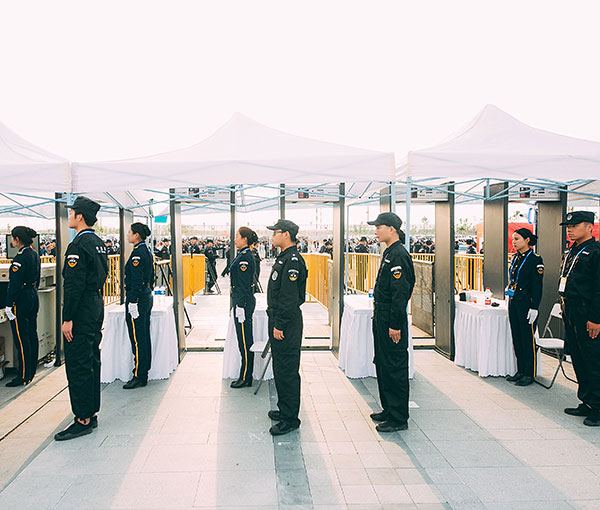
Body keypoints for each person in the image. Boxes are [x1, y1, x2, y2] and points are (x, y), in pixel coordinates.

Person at [55, 196, 108, 441]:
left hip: (82, 308)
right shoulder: (98, 242)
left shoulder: (78, 245)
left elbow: (73, 285)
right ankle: (91, 411)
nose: (69, 216)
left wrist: (67, 318)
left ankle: (82, 418)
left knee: (77, 363)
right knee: (91, 359)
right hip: (95, 304)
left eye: (72, 212)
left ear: (80, 217)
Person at [367, 212, 415, 432]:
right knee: (384, 363)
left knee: (394, 366)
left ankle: (398, 417)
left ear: (392, 229)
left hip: (391, 318)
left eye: (379, 227)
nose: (376, 231)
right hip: (383, 315)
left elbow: (400, 293)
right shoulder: (390, 253)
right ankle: (388, 408)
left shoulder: (398, 255)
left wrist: (395, 324)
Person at [266, 219, 307, 436]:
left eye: (276, 232)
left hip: (287, 322)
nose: (272, 236)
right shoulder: (283, 258)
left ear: (286, 234)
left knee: (288, 370)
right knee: (280, 368)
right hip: (279, 319)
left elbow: (289, 298)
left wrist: (280, 324)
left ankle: (291, 419)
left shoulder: (292, 261)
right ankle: (284, 410)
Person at [559, 211, 600, 427]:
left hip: (587, 314)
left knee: (593, 361)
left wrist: (595, 318)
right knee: (578, 357)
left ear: (589, 227)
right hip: (571, 311)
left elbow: (598, 289)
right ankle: (587, 400)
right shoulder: (573, 250)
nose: (570, 228)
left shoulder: (595, 252)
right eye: (568, 225)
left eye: (574, 225)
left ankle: (598, 407)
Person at [505, 228, 544, 387]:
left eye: (517, 239)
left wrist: (535, 307)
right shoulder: (516, 257)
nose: (514, 242)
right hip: (514, 300)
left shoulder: (535, 259)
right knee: (517, 336)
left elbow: (537, 286)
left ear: (527, 240)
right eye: (513, 239)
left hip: (526, 303)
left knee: (528, 339)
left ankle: (529, 373)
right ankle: (521, 370)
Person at [4, 226, 41, 387]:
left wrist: (8, 304)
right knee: (32, 334)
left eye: (12, 238)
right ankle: (31, 370)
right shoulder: (34, 254)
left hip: (22, 299)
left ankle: (23, 375)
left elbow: (15, 284)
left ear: (17, 239)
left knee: (21, 338)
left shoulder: (19, 258)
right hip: (33, 295)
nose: (12, 241)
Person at [123, 222, 154, 390]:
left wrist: (133, 301)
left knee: (137, 338)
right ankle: (143, 372)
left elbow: (135, 280)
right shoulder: (145, 251)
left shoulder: (137, 255)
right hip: (146, 295)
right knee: (143, 336)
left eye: (130, 232)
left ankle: (140, 374)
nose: (128, 234)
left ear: (136, 235)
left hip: (138, 297)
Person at [229, 227, 258, 388]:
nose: (235, 239)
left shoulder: (245, 257)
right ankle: (245, 374)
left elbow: (245, 284)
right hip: (240, 300)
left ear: (245, 239)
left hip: (243, 301)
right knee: (242, 339)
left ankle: (246, 376)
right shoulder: (242, 254)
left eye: (237, 236)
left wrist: (240, 305)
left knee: (245, 340)